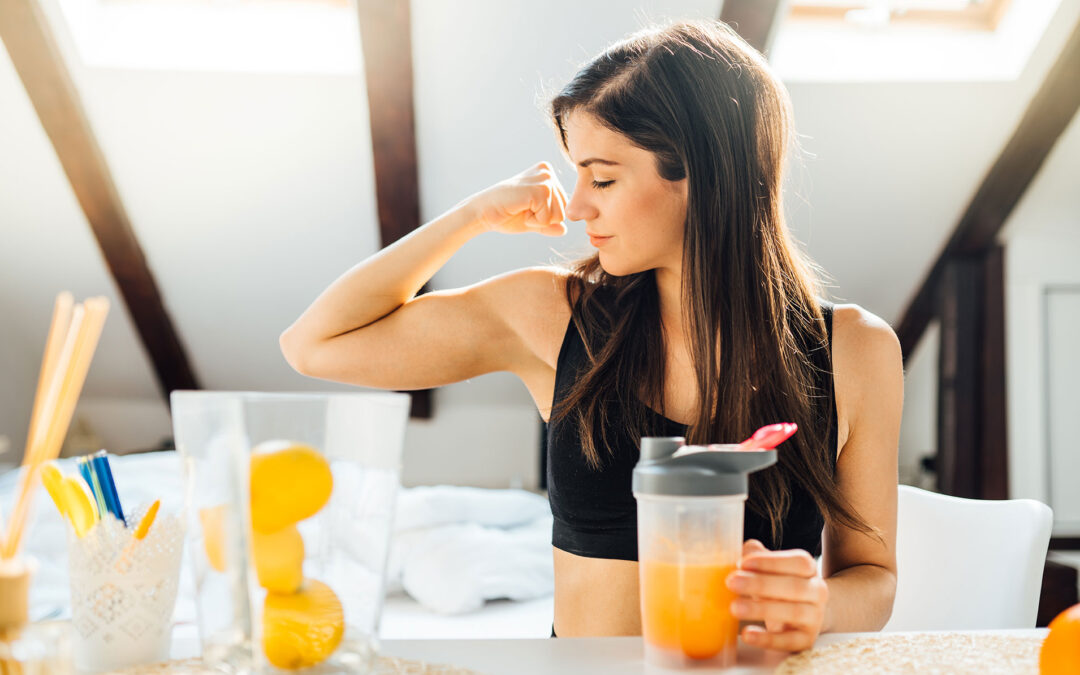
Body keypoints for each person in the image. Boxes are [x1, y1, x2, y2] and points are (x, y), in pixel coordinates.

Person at [280, 19, 902, 651]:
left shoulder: (854, 350)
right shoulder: (548, 316)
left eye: (602, 178)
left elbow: (872, 578)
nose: (576, 206)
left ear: (704, 176)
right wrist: (472, 217)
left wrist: (816, 604)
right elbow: (316, 345)